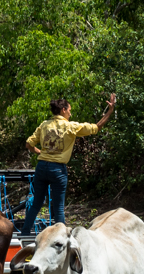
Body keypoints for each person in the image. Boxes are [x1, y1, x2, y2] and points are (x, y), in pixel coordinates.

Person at [21, 93, 115, 237]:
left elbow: (29, 144)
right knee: (58, 207)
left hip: (42, 166)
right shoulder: (71, 126)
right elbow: (96, 127)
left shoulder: (44, 125)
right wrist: (109, 111)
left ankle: (25, 234)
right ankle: (61, 238)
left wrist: (40, 152)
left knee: (36, 204)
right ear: (63, 110)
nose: (70, 113)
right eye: (69, 110)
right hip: (57, 169)